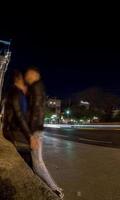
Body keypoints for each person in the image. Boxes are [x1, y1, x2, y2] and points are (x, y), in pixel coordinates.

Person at [24, 67, 64, 199]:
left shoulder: (35, 92)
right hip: (36, 131)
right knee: (36, 162)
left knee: (38, 164)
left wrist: (32, 135)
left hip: (34, 132)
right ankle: (54, 188)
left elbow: (35, 114)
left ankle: (55, 190)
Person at [3, 70, 33, 168]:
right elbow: (19, 115)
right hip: (17, 133)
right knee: (26, 164)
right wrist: (30, 136)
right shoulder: (16, 93)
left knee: (26, 163)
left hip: (13, 131)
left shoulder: (12, 92)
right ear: (18, 79)